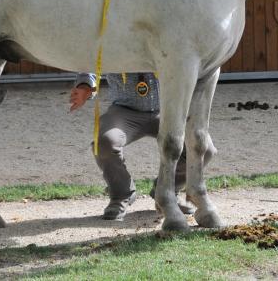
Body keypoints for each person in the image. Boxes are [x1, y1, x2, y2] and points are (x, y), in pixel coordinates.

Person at [69, 72, 195, 221]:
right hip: (123, 110)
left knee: (200, 147)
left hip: (166, 110)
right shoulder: (115, 46)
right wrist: (85, 85)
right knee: (104, 142)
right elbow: (92, 59)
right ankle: (121, 195)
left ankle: (166, 191)